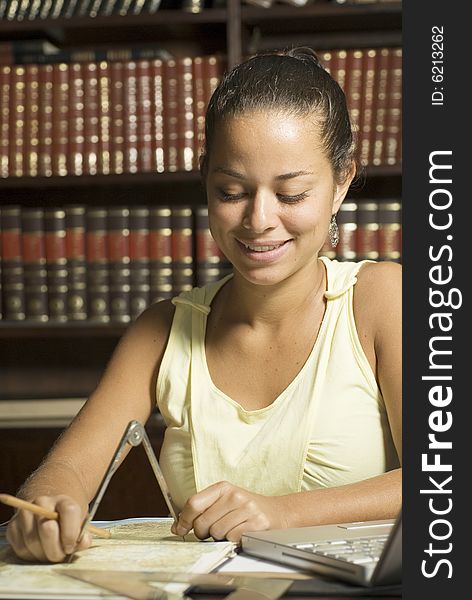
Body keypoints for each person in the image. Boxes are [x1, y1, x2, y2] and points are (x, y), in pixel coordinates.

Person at [6, 47, 402, 563]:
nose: (258, 220)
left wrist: (282, 514)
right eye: (231, 190)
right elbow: (70, 470)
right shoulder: (162, 327)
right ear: (205, 181)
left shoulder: (383, 299)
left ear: (342, 180)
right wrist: (47, 507)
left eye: (291, 194)